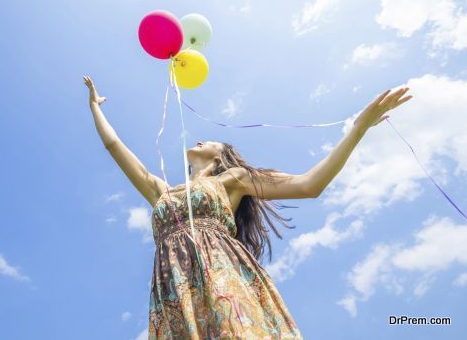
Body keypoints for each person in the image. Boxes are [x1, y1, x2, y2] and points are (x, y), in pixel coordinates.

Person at [83, 75, 411, 339]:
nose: (199, 140)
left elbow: (310, 185)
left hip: (221, 271)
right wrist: (96, 107)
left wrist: (358, 129)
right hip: (173, 283)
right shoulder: (161, 191)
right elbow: (114, 146)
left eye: (209, 141)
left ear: (219, 155)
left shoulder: (233, 180)